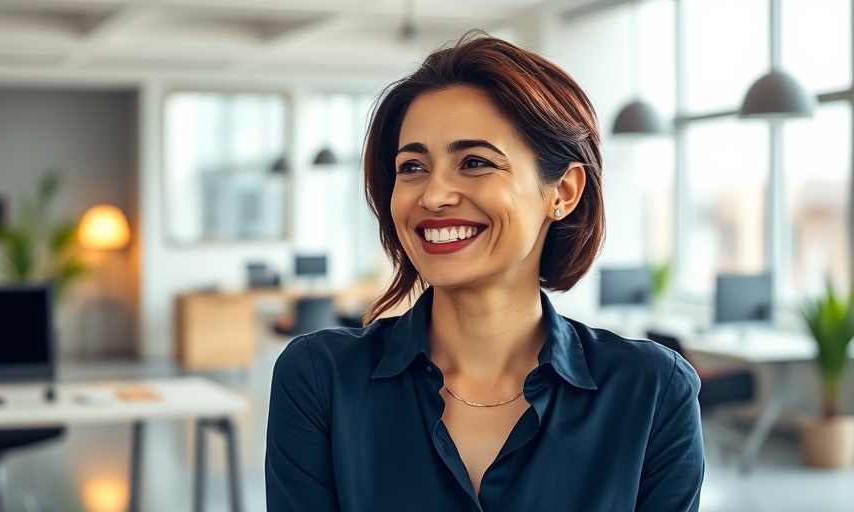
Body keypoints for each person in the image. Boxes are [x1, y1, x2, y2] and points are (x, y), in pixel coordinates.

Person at [265, 31, 704, 511]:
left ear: (563, 192)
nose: (432, 196)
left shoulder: (653, 392)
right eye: (412, 167)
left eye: (474, 162)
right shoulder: (320, 379)